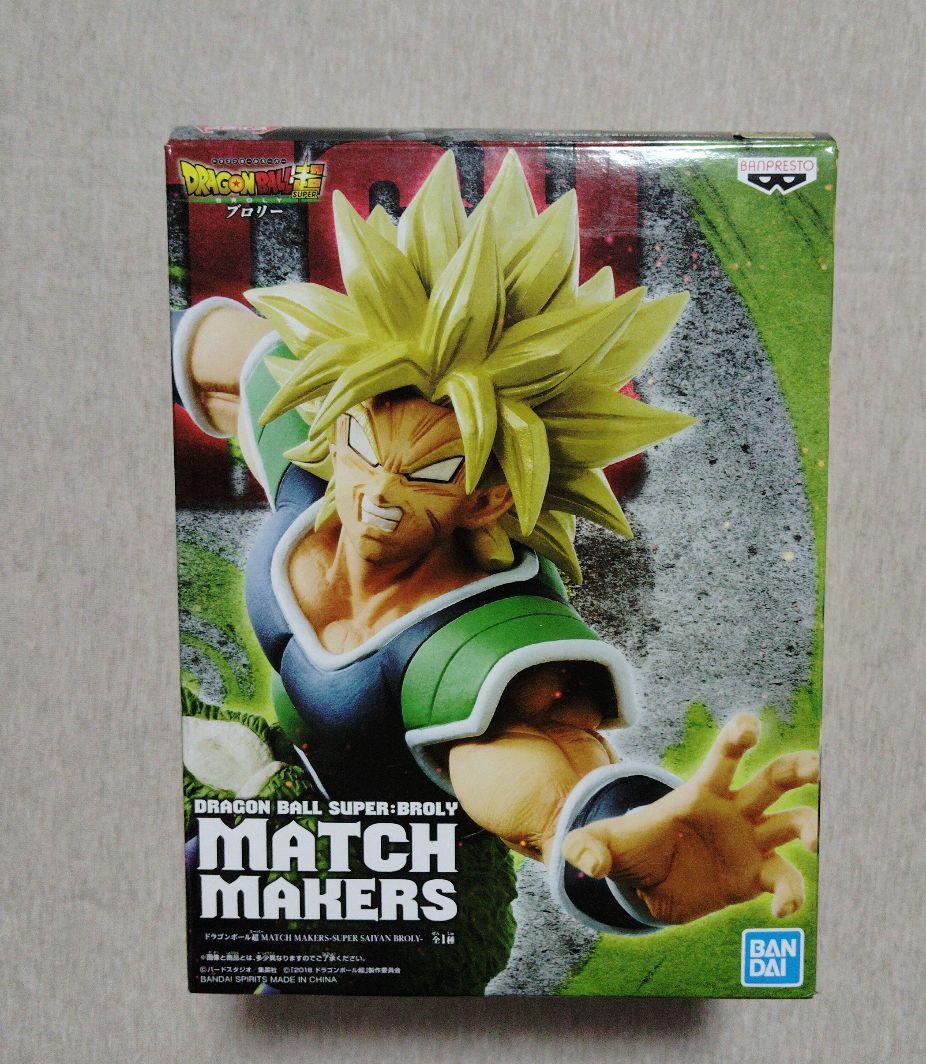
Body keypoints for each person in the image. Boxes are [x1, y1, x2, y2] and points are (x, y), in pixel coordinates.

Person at [174, 149, 818, 943]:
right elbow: (230, 355)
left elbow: (547, 770)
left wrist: (635, 846)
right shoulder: (317, 466)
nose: (379, 492)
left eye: (431, 472)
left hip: (415, 892)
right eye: (362, 446)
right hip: (273, 785)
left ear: (487, 498)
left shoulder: (480, 643)